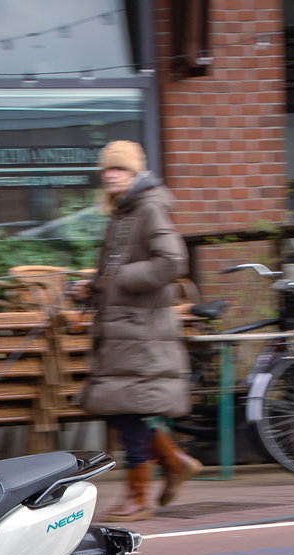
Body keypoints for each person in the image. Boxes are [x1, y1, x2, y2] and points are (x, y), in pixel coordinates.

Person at [72, 140, 202, 522]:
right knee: (122, 409)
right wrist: (94, 284)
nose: (110, 174)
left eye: (119, 169)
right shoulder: (123, 211)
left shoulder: (149, 207)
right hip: (123, 331)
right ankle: (172, 460)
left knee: (127, 410)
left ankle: (139, 495)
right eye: (107, 169)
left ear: (135, 173)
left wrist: (120, 279)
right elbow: (117, 269)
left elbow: (172, 260)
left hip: (141, 331)